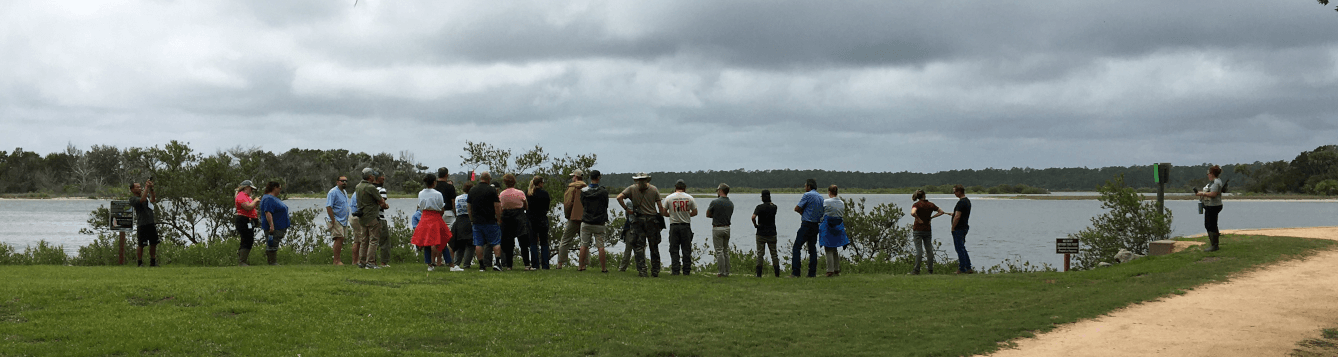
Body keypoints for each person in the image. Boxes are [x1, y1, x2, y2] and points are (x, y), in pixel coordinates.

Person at [617, 172, 665, 277]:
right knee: (654, 246)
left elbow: (619, 197)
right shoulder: (654, 189)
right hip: (652, 220)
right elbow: (660, 206)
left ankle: (642, 271)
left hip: (638, 220)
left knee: (639, 247)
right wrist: (662, 217)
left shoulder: (631, 189)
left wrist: (627, 209)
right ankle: (655, 271)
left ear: (636, 180)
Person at [411, 174, 453, 272]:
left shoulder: (421, 193)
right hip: (435, 216)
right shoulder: (438, 194)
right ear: (434, 182)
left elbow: (420, 206)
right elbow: (441, 208)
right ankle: (450, 264)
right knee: (443, 240)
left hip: (424, 217)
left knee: (427, 242)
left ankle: (429, 264)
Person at [354, 168, 390, 269]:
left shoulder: (358, 186)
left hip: (362, 217)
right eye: (373, 175)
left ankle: (362, 261)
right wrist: (385, 205)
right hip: (372, 216)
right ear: (370, 177)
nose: (374, 177)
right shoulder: (371, 187)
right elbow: (380, 200)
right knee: (373, 240)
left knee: (364, 240)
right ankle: (370, 262)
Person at [469, 172, 505, 272]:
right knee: (496, 242)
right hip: (490, 220)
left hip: (477, 221)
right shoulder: (491, 190)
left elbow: (469, 206)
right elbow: (497, 205)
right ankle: (497, 263)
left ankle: (481, 265)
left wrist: (471, 218)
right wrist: (498, 218)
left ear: (480, 178)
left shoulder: (472, 190)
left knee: (478, 243)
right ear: (488, 179)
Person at [662, 179, 698, 276]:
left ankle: (675, 270)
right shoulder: (690, 198)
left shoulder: (669, 198)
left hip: (674, 226)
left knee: (674, 249)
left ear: (675, 188)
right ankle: (686, 271)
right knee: (686, 249)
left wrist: (671, 214)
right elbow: (695, 212)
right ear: (684, 188)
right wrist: (686, 214)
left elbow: (663, 212)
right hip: (685, 226)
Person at [910, 189, 948, 275]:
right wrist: (932, 217)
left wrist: (918, 219)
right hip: (927, 230)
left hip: (917, 230)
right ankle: (930, 270)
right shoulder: (930, 205)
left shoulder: (916, 205)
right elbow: (941, 212)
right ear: (924, 195)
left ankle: (916, 270)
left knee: (919, 250)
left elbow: (912, 213)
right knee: (929, 250)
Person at [579, 170, 610, 272]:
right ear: (598, 178)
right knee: (601, 246)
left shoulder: (583, 191)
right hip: (599, 222)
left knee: (584, 245)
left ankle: (581, 266)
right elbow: (606, 204)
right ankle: (604, 268)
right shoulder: (604, 192)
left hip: (586, 221)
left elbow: (583, 204)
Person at [499, 173, 531, 270]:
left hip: (507, 218)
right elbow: (526, 206)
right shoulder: (520, 193)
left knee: (509, 243)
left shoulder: (502, 194)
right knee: (523, 242)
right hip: (519, 217)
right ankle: (527, 265)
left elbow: (501, 208)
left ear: (505, 183)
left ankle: (509, 265)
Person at [791, 178, 823, 278]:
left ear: (809, 186)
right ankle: (812, 273)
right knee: (812, 248)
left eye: (805, 186)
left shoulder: (807, 195)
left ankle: (796, 272)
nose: (805, 187)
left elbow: (797, 208)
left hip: (806, 224)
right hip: (815, 225)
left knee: (797, 247)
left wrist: (801, 212)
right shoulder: (821, 197)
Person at [558, 170, 587, 269]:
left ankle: (560, 263)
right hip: (585, 218)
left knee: (565, 240)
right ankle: (584, 264)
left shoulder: (571, 188)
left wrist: (568, 215)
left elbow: (567, 203)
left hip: (573, 218)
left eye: (573, 176)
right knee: (584, 242)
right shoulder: (586, 188)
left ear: (575, 177)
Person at [819, 185, 850, 277]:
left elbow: (821, 212)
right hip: (838, 226)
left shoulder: (826, 202)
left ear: (829, 192)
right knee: (835, 249)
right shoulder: (842, 203)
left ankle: (830, 270)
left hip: (828, 226)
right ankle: (836, 269)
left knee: (828, 248)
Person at [258, 181, 291, 266]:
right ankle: (272, 262)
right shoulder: (268, 198)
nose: (280, 190)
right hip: (274, 227)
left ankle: (273, 261)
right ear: (274, 188)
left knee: (275, 243)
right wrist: (271, 225)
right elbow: (268, 212)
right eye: (279, 188)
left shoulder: (273, 198)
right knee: (272, 243)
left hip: (280, 226)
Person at [129, 179, 160, 267]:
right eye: (137, 187)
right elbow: (141, 200)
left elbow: (153, 199)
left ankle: (153, 262)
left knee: (154, 243)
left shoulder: (146, 196)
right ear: (132, 189)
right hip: (142, 224)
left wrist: (151, 188)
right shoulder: (133, 199)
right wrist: (146, 187)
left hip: (151, 222)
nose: (139, 188)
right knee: (141, 244)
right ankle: (140, 263)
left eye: (140, 187)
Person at [706, 183, 735, 277]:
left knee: (719, 251)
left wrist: (715, 216)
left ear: (720, 190)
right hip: (727, 228)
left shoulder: (714, 202)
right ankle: (727, 271)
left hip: (717, 228)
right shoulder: (731, 203)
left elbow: (708, 214)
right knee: (726, 251)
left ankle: (721, 272)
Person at [1195, 165, 1226, 252]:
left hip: (1213, 206)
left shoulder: (1216, 182)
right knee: (1212, 224)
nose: (1208, 175)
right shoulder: (1212, 182)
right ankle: (1214, 244)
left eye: (1208, 173)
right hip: (1210, 205)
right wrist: (1200, 193)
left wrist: (1202, 194)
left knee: (1209, 225)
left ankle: (1214, 245)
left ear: (1212, 174)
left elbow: (1213, 194)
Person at [751, 190, 780, 277]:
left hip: (761, 232)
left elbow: (753, 217)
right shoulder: (774, 207)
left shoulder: (759, 207)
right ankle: (777, 273)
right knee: (774, 254)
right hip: (772, 232)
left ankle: (759, 274)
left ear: (762, 197)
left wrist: (755, 224)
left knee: (760, 254)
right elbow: (772, 205)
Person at [434, 168, 459, 266]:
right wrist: (455, 213)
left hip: (437, 213)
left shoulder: (434, 187)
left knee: (439, 239)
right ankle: (450, 260)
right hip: (448, 213)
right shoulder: (450, 187)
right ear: (446, 175)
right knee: (450, 238)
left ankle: (438, 261)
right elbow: (453, 202)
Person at [325, 176, 351, 265]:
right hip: (336, 220)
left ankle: (338, 260)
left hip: (343, 220)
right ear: (337, 182)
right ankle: (336, 261)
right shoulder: (333, 192)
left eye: (345, 181)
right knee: (338, 238)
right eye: (342, 181)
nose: (344, 182)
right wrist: (333, 220)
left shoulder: (344, 192)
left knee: (341, 238)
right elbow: (329, 206)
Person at [234, 180, 261, 266]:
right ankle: (242, 261)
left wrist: (255, 203)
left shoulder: (247, 197)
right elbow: (248, 207)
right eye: (251, 189)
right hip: (243, 220)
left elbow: (251, 207)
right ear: (246, 187)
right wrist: (255, 200)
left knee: (248, 239)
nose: (252, 191)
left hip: (248, 220)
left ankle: (243, 260)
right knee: (246, 239)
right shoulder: (241, 196)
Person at [527, 176, 551, 269]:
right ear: (540, 183)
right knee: (544, 243)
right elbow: (547, 207)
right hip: (542, 220)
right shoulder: (544, 194)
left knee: (533, 243)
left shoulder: (528, 193)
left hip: (531, 220)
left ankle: (535, 264)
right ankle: (545, 265)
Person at [949, 185, 974, 274]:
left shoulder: (961, 203)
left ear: (959, 192)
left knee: (959, 248)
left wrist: (953, 227)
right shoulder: (967, 201)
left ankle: (962, 268)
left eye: (954, 192)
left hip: (959, 228)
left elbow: (958, 216)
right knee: (962, 247)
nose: (954, 194)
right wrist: (953, 214)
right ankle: (968, 267)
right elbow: (960, 214)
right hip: (964, 227)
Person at [451, 181, 476, 269]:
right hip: (469, 219)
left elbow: (455, 208)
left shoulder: (458, 198)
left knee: (460, 243)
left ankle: (456, 263)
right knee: (470, 243)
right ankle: (466, 263)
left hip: (459, 219)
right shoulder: (472, 197)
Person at [375, 174, 392, 268]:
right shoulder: (381, 190)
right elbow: (382, 204)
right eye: (382, 178)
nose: (384, 179)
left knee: (371, 240)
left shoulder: (368, 188)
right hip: (380, 218)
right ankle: (383, 262)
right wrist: (386, 206)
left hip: (370, 218)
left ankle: (370, 261)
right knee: (384, 241)